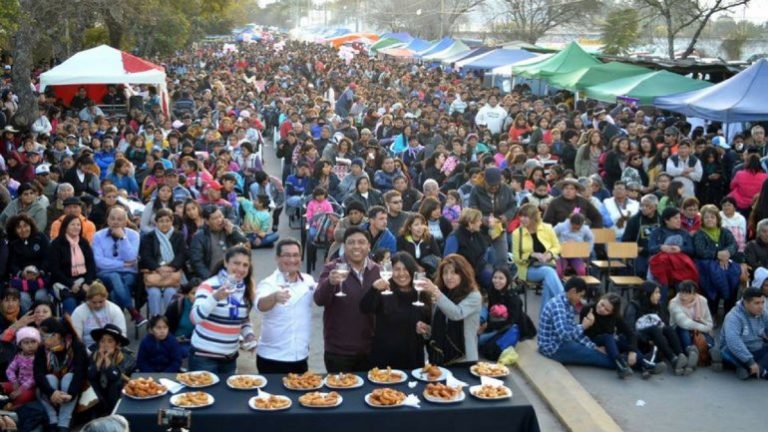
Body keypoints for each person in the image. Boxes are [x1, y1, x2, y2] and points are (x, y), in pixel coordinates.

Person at [314, 227, 378, 372]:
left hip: (370, 349)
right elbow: (319, 299)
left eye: (361, 242)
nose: (356, 246)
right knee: (339, 393)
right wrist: (329, 283)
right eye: (351, 242)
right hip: (338, 350)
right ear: (344, 246)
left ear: (369, 246)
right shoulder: (332, 268)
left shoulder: (378, 271)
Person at [189, 245, 256, 374]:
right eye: (236, 263)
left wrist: (249, 336)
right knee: (203, 395)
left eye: (245, 265)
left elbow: (242, 320)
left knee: (227, 395)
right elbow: (194, 317)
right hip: (204, 358)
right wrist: (215, 297)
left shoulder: (245, 289)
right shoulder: (208, 285)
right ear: (226, 262)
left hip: (230, 358)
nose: (240, 269)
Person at [360, 252, 431, 369]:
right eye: (397, 269)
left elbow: (430, 327)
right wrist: (373, 288)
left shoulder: (421, 293)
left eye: (405, 269)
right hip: (384, 359)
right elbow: (364, 307)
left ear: (412, 271)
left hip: (412, 358)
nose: (401, 274)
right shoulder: (384, 291)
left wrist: (426, 329)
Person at [255, 239, 316, 373]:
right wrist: (274, 297)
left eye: (296, 255)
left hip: (300, 356)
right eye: (287, 255)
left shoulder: (308, 281)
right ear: (277, 258)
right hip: (272, 358)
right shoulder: (268, 283)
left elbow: (322, 295)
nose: (292, 259)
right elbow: (260, 305)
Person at [416, 254, 482, 364]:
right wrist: (427, 329)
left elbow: (456, 314)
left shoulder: (474, 296)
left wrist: (436, 292)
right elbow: (441, 329)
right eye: (445, 273)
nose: (448, 277)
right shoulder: (443, 295)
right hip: (438, 358)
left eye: (454, 272)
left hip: (463, 359)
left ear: (463, 274)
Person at [581, 293, 664, 379]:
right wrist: (595, 346)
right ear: (600, 299)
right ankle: (626, 365)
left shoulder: (615, 317)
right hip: (594, 340)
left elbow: (631, 333)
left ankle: (643, 365)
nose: (602, 309)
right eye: (602, 304)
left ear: (612, 312)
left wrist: (633, 351)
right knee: (608, 336)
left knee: (623, 339)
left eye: (607, 310)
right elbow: (580, 334)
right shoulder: (588, 309)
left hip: (609, 343)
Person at [538, 277, 614, 369]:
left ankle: (619, 360)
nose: (581, 299)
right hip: (553, 349)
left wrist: (594, 347)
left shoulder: (567, 303)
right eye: (580, 295)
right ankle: (620, 363)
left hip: (560, 342)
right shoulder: (558, 306)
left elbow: (572, 330)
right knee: (592, 356)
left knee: (592, 351)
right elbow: (565, 335)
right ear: (573, 291)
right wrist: (583, 326)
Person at [34, 317, 88, 432]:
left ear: (57, 336)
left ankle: (64, 422)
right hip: (50, 393)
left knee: (69, 377)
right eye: (41, 336)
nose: (42, 340)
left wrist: (71, 394)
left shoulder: (76, 346)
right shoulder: (42, 350)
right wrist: (52, 392)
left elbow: (80, 373)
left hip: (70, 391)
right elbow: (38, 374)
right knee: (49, 378)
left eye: (44, 337)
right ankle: (52, 419)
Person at [92, 206, 144, 325]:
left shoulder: (134, 235)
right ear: (108, 220)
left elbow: (131, 257)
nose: (115, 222)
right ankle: (132, 311)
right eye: (113, 218)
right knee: (114, 276)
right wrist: (123, 264)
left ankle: (115, 324)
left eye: (119, 219)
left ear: (126, 222)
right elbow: (99, 261)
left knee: (116, 293)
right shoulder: (98, 236)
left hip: (129, 273)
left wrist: (123, 238)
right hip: (105, 274)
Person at [624, 282, 689, 375]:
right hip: (640, 341)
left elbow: (665, 323)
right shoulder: (633, 306)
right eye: (656, 293)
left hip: (658, 339)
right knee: (654, 329)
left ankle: (680, 356)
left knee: (668, 329)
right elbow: (629, 330)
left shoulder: (657, 306)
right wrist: (647, 341)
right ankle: (673, 359)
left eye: (659, 292)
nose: (659, 295)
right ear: (647, 293)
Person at [513, 203, 564, 317]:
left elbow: (557, 247)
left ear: (534, 217)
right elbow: (516, 258)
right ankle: (564, 302)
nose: (522, 219)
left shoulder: (547, 228)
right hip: (528, 269)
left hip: (548, 264)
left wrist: (549, 254)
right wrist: (532, 254)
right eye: (521, 216)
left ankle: (544, 319)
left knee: (548, 284)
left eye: (526, 216)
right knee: (548, 272)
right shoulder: (517, 233)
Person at [693, 204, 741, 318]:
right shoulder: (699, 234)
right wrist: (717, 255)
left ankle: (729, 313)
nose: (709, 219)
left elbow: (734, 245)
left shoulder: (724, 232)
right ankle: (712, 313)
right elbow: (700, 251)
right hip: (706, 265)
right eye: (706, 217)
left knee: (734, 275)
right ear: (702, 220)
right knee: (713, 279)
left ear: (717, 219)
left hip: (725, 262)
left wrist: (727, 253)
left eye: (712, 217)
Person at [139, 208, 187, 317]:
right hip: (154, 273)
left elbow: (182, 255)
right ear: (156, 222)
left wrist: (172, 267)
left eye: (167, 221)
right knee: (154, 293)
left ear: (172, 221)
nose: (164, 224)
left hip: (173, 273)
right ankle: (156, 322)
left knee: (170, 292)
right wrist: (158, 268)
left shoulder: (179, 236)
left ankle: (169, 322)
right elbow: (146, 256)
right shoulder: (148, 237)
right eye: (161, 221)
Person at [49, 214, 97, 314]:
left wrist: (87, 283)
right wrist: (71, 284)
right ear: (65, 226)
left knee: (96, 298)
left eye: (78, 225)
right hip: (63, 282)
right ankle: (72, 328)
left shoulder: (83, 242)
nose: (76, 227)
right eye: (72, 224)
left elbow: (91, 264)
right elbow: (55, 270)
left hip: (83, 280)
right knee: (70, 302)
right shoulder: (56, 244)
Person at [468, 167, 517, 267]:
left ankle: (502, 279)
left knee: (502, 257)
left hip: (499, 229)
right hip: (481, 230)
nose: (494, 187)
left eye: (496, 185)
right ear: (485, 181)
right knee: (480, 257)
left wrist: (506, 216)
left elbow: (513, 205)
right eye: (491, 185)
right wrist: (483, 219)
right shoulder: (476, 190)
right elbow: (472, 208)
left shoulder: (506, 189)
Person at [718, 288, 768, 380]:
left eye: (762, 302)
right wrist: (750, 361)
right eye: (757, 303)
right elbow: (734, 342)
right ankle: (755, 369)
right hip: (735, 351)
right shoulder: (734, 317)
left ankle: (750, 369)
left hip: (756, 348)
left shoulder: (762, 313)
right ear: (745, 303)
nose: (761, 306)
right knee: (725, 351)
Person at [668, 280, 717, 375]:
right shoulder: (674, 303)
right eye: (681, 292)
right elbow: (684, 323)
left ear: (694, 294)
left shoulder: (702, 301)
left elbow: (709, 322)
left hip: (697, 329)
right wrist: (705, 327)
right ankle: (690, 351)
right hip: (679, 330)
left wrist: (703, 324)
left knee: (703, 334)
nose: (682, 296)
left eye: (686, 293)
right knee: (684, 329)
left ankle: (712, 351)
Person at [478, 267, 536, 345]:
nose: (497, 281)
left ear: (507, 280)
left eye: (501, 278)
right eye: (495, 277)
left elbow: (511, 322)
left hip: (512, 326)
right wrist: (484, 324)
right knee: (482, 309)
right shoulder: (493, 291)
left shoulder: (513, 298)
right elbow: (490, 310)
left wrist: (488, 326)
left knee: (479, 340)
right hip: (497, 321)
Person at [87, 324, 136, 416]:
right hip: (100, 397)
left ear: (117, 345)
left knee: (116, 382)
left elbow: (114, 376)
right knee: (91, 382)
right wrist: (100, 360)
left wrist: (107, 360)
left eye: (110, 341)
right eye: (102, 341)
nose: (105, 344)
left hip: (117, 395)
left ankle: (113, 413)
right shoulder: (94, 356)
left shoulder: (126, 358)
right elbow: (90, 375)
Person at [188, 206, 248, 279]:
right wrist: (210, 278)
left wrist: (232, 233)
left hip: (233, 273)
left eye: (221, 216)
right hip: (212, 275)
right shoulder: (199, 237)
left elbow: (245, 244)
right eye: (215, 218)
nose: (220, 220)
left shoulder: (229, 229)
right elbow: (197, 262)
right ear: (207, 221)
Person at [443, 208, 492, 288]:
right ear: (470, 223)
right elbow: (448, 259)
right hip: (461, 271)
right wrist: (468, 270)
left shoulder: (477, 234)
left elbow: (484, 252)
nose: (480, 223)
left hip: (478, 268)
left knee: (493, 278)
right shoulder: (455, 237)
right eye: (478, 221)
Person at [70, 282, 127, 350]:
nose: (98, 305)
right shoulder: (79, 312)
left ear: (106, 297)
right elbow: (76, 338)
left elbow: (122, 333)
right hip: (88, 348)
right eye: (94, 302)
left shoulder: (115, 310)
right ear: (88, 299)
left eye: (101, 302)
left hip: (111, 347)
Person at [622, 194, 661, 277]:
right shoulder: (634, 220)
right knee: (641, 270)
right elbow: (625, 240)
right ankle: (640, 289)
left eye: (647, 206)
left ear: (655, 207)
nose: (644, 208)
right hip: (640, 253)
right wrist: (636, 248)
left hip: (658, 253)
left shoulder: (661, 220)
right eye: (642, 205)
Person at [1, 326, 39, 409]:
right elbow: (10, 370)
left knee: (22, 397)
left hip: (31, 388)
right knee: (2, 386)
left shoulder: (39, 357)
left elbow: (35, 377)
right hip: (18, 384)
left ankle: (11, 407)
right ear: (20, 345)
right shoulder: (19, 356)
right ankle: (5, 403)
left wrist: (20, 390)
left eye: (33, 342)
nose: (30, 346)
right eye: (26, 343)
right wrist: (14, 381)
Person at [164, 279, 200, 359]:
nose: (197, 296)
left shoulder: (209, 306)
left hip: (199, 342)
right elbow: (165, 327)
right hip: (179, 341)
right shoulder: (176, 306)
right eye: (193, 293)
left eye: (201, 293)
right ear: (187, 295)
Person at [553, 213, 594, 278]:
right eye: (574, 227)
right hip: (562, 255)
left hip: (576, 255)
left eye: (578, 228)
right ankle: (561, 286)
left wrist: (588, 251)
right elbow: (551, 235)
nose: (575, 229)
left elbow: (590, 239)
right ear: (570, 223)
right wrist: (559, 245)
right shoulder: (561, 226)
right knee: (559, 272)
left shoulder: (585, 229)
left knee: (582, 271)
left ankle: (578, 286)